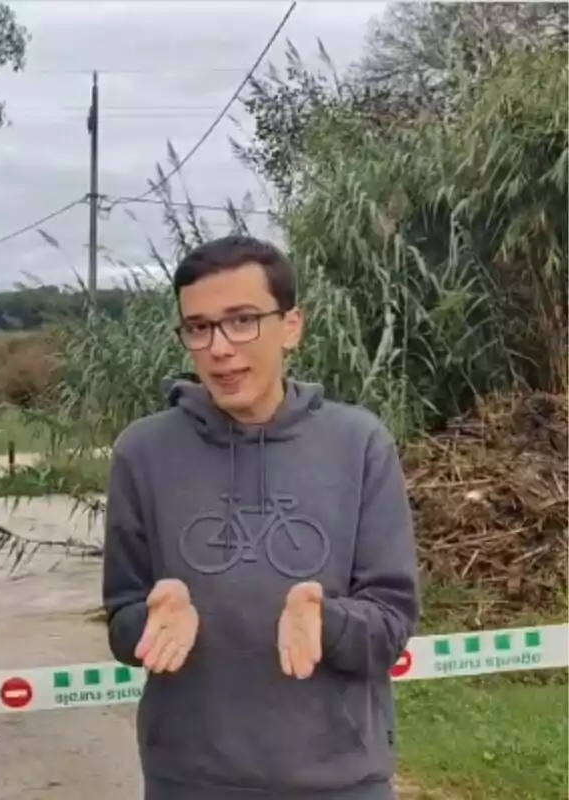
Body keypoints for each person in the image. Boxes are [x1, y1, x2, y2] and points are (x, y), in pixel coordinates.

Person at [102, 235, 420, 800]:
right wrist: (150, 621)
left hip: (340, 780)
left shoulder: (359, 444)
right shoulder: (141, 453)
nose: (219, 347)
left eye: (242, 320)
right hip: (190, 780)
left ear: (291, 325)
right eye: (198, 327)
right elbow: (124, 621)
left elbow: (390, 625)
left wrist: (327, 622)